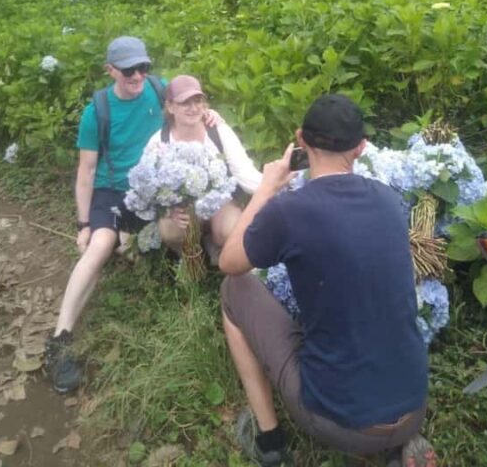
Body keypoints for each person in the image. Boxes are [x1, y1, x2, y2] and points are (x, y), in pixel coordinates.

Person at [218, 94, 436, 467]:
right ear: (361, 148)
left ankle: (270, 442)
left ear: (301, 139)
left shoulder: (290, 210)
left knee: (232, 290)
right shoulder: (388, 199)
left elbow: (229, 261)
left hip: (341, 421)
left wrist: (267, 187)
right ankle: (395, 448)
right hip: (414, 407)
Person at [44, 38, 220, 393]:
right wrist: (83, 224)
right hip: (113, 190)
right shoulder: (98, 111)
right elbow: (86, 172)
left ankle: (157, 257)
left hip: (156, 186)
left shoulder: (158, 90)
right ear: (110, 70)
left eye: (143, 67)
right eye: (128, 70)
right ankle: (60, 339)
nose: (137, 76)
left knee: (163, 232)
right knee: (99, 246)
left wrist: (212, 115)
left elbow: (190, 105)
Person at [139, 74, 261, 254]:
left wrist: (277, 185)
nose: (193, 108)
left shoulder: (218, 131)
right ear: (170, 106)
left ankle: (220, 250)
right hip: (183, 207)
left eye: (198, 101)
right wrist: (167, 210)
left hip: (220, 201)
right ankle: (190, 260)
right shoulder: (158, 142)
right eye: (185, 103)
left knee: (229, 230)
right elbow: (145, 186)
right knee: (171, 230)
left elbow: (245, 173)